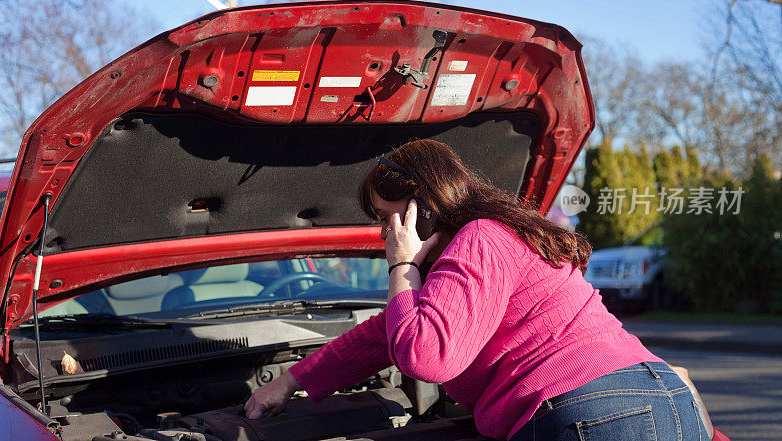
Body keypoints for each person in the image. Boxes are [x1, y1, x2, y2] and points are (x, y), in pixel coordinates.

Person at [244, 139, 707, 441]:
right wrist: (290, 381)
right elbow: (386, 331)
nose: (384, 233)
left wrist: (402, 263)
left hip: (590, 413)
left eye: (389, 218)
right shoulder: (495, 239)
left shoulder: (481, 238)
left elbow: (426, 356)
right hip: (660, 399)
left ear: (423, 210)